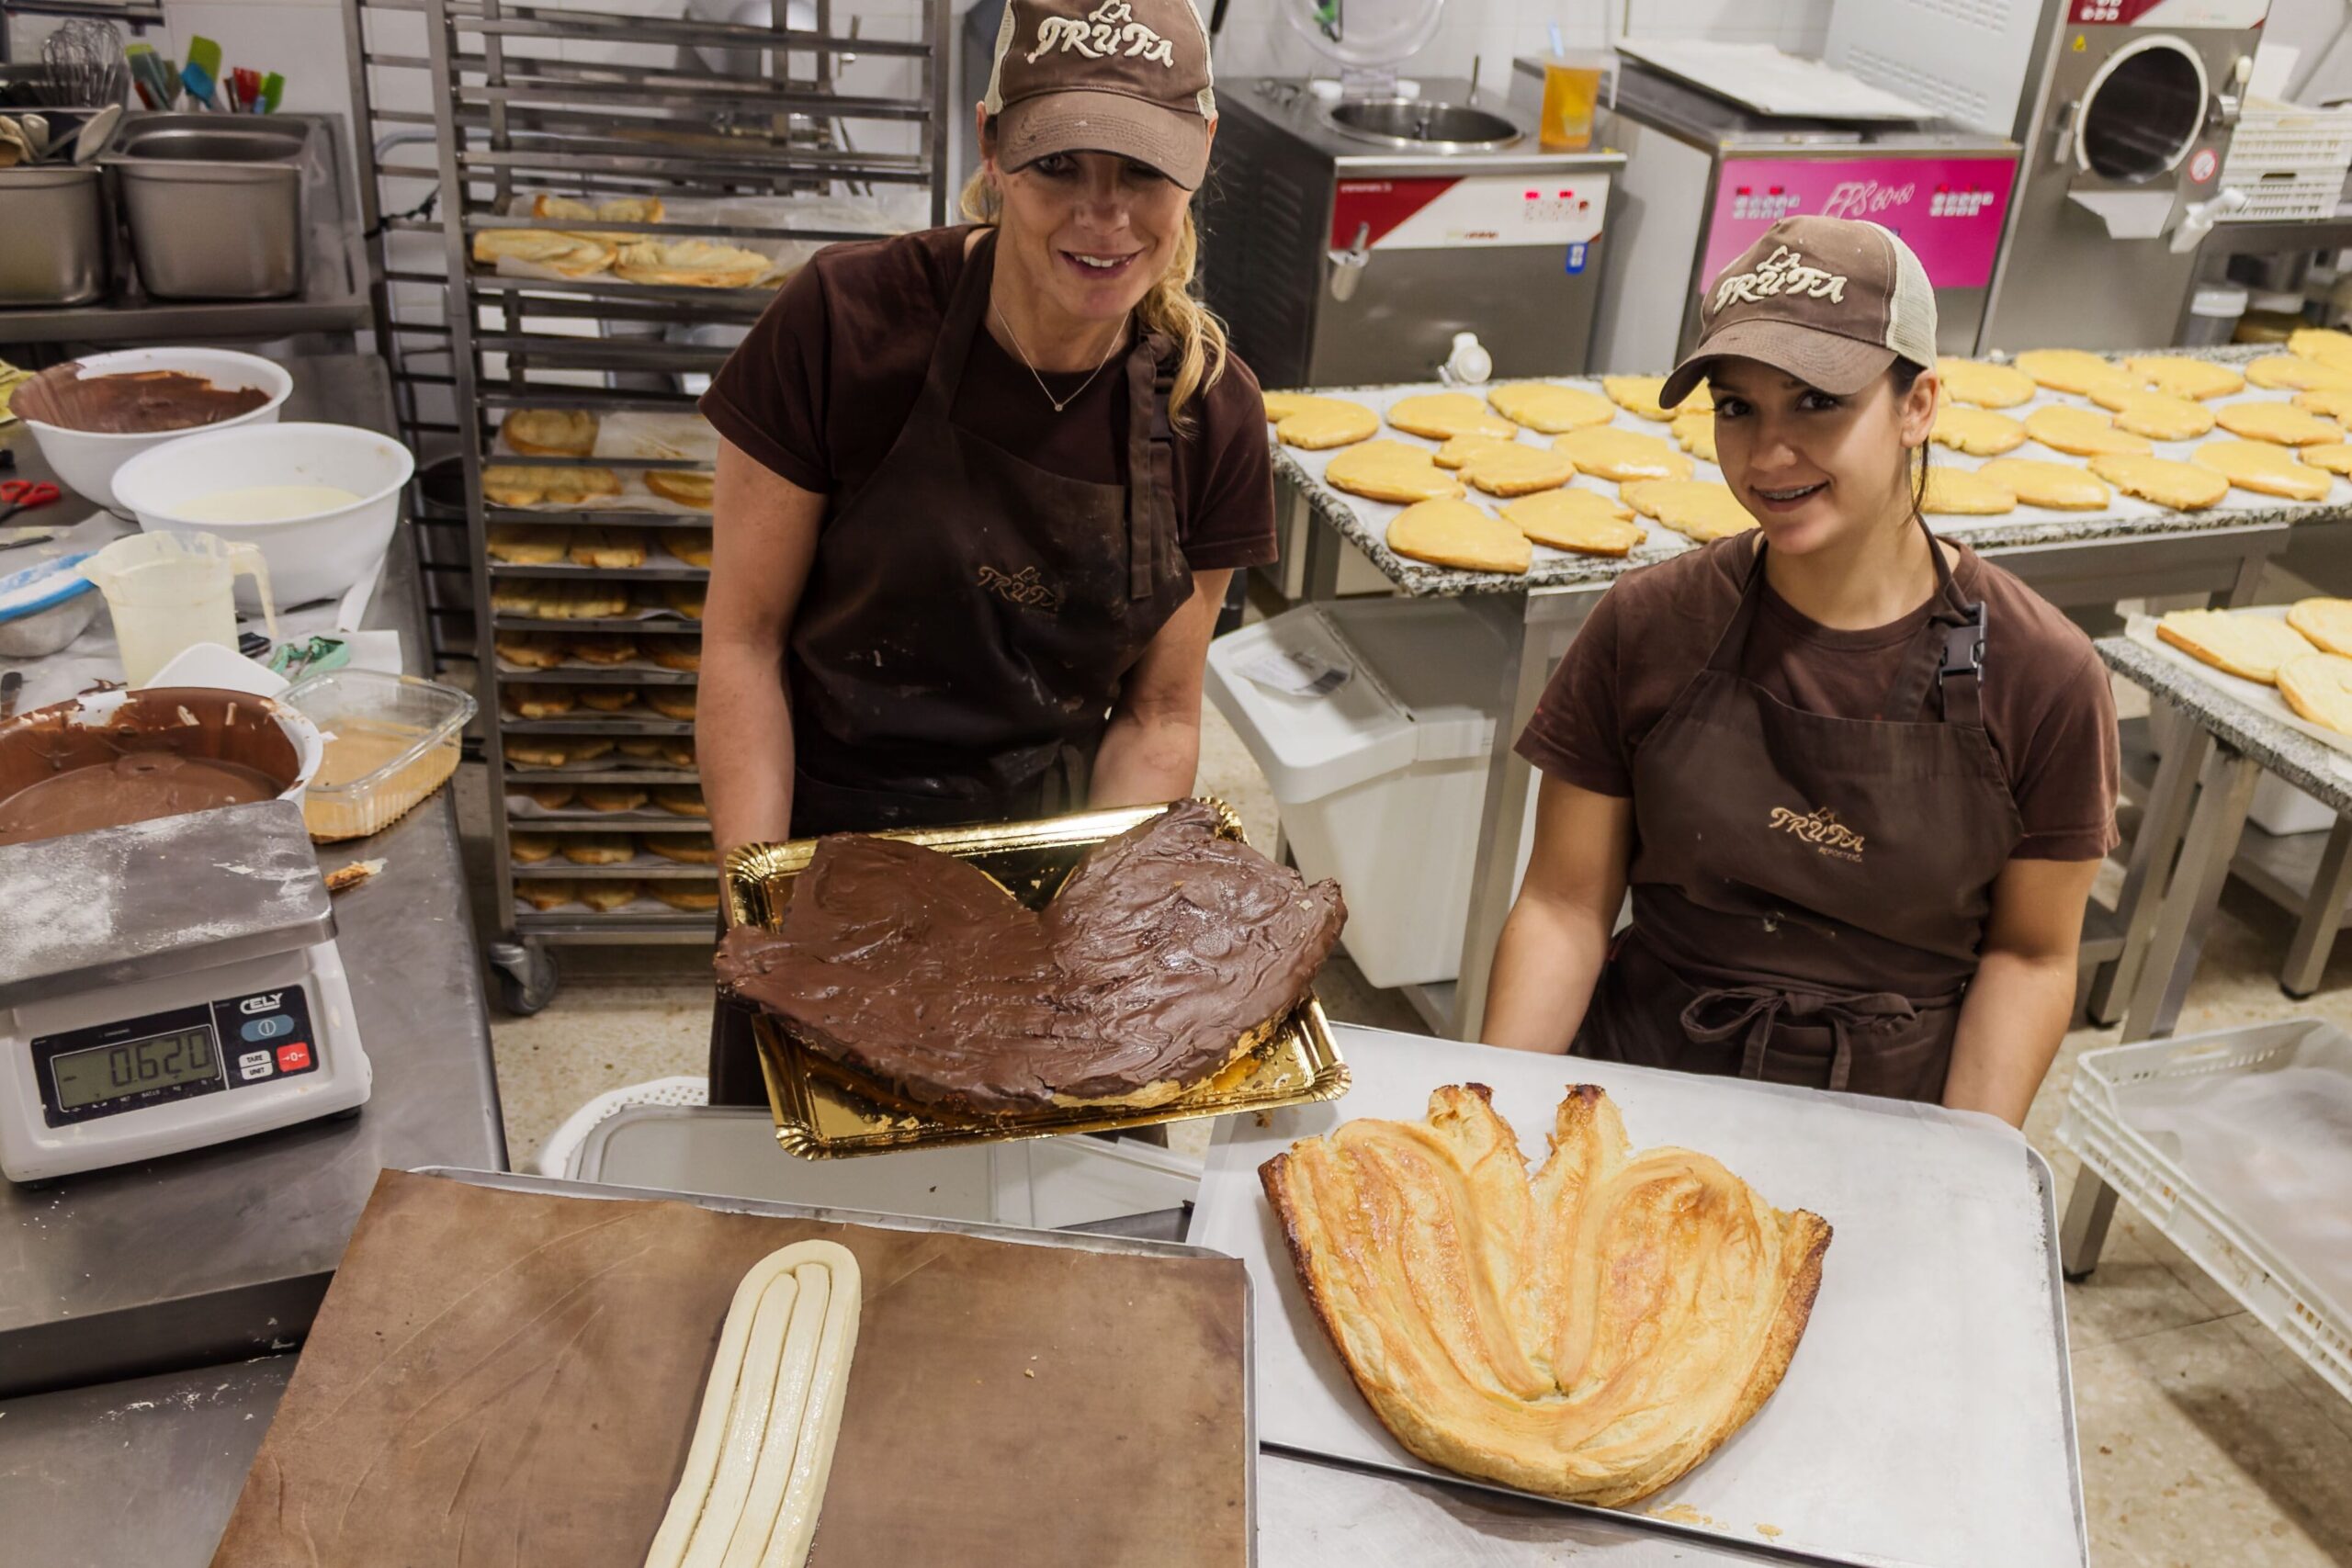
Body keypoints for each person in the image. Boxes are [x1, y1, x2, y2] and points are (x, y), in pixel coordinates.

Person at [695, 0, 1275, 1103]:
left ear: (1197, 160)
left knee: (1062, 1239)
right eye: (1060, 164)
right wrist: (755, 902)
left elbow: (1158, 715)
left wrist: (1101, 936)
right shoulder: (847, 322)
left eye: (1141, 172)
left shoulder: (1211, 414)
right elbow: (745, 639)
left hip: (1051, 863)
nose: (1103, 220)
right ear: (993, 145)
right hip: (821, 837)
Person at [1481, 216, 2119, 1127]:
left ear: (1918, 406)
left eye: (1816, 401)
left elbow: (2030, 957)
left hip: (1891, 1113)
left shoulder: (2042, 675)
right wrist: (1497, 1114)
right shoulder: (1650, 624)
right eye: (1737, 407)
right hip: (1644, 1077)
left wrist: (1962, 1161)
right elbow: (1563, 903)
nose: (1769, 454)